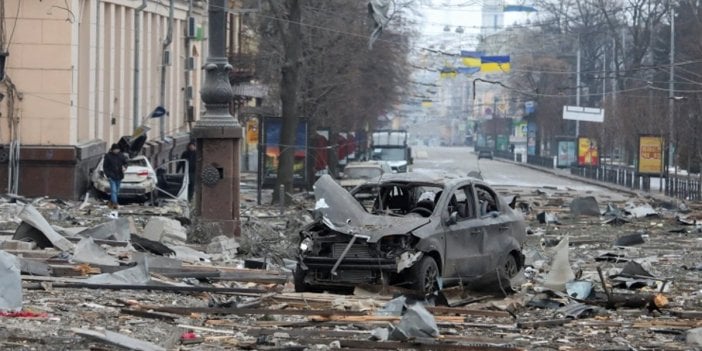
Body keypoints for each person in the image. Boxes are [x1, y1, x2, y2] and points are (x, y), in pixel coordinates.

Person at [103, 143, 128, 209]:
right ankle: (115, 204)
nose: (117, 151)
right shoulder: (108, 156)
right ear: (112, 149)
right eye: (115, 150)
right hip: (111, 176)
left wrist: (125, 167)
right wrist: (108, 175)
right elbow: (105, 167)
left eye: (118, 149)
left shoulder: (121, 155)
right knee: (113, 190)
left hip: (119, 175)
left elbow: (125, 163)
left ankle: (111, 202)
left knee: (117, 191)